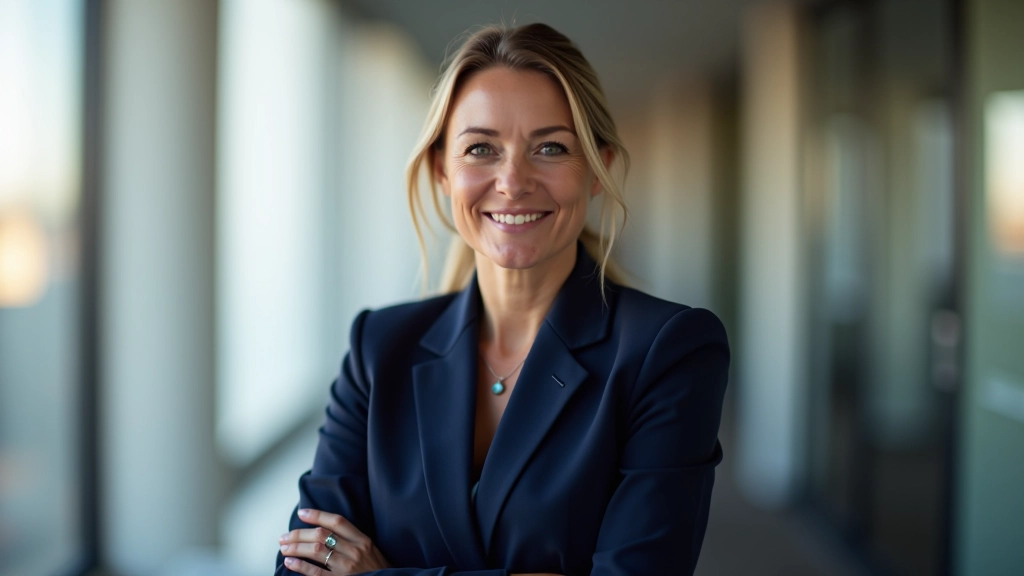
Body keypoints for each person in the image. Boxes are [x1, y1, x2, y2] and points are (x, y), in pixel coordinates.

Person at [276, 22, 729, 576]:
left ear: (597, 169)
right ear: (444, 171)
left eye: (550, 147)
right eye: (482, 148)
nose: (513, 181)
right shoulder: (379, 347)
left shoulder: (668, 351)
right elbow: (302, 563)